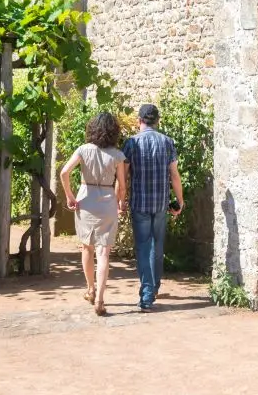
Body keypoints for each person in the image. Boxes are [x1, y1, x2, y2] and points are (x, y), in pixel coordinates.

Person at [58, 111, 128, 317]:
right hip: (107, 201)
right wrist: (121, 203)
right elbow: (122, 186)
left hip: (85, 199)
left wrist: (70, 196)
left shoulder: (83, 150)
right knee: (104, 252)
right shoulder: (117, 155)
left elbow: (64, 173)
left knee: (86, 248)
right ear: (113, 131)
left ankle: (90, 289)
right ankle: (100, 299)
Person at [122, 102, 184, 312]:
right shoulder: (167, 142)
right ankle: (155, 286)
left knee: (143, 247)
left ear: (139, 120)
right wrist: (180, 200)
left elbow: (123, 178)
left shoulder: (131, 143)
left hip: (140, 202)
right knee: (157, 246)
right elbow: (174, 175)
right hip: (160, 203)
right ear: (157, 121)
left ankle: (147, 295)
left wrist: (120, 199)